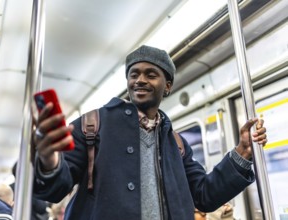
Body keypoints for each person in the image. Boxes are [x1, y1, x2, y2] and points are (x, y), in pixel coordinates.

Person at [32, 45, 267, 220]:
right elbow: (56, 188)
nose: (140, 80)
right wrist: (49, 159)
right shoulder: (93, 124)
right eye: (134, 74)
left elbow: (204, 195)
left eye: (151, 74)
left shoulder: (176, 143)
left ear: (167, 86)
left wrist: (241, 153)